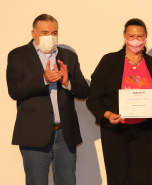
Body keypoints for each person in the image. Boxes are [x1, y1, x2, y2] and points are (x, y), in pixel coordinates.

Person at [6, 14, 89, 185]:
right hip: (33, 134)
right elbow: (15, 91)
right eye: (45, 33)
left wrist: (67, 83)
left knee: (67, 181)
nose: (50, 37)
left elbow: (84, 91)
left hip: (65, 134)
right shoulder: (17, 55)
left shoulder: (69, 56)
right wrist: (43, 80)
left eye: (54, 32)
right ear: (33, 33)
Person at [86, 18, 152, 185]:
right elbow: (93, 98)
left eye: (140, 36)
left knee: (143, 180)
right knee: (118, 179)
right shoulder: (109, 61)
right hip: (115, 132)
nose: (135, 41)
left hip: (143, 132)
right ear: (124, 36)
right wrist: (108, 115)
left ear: (146, 37)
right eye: (131, 36)